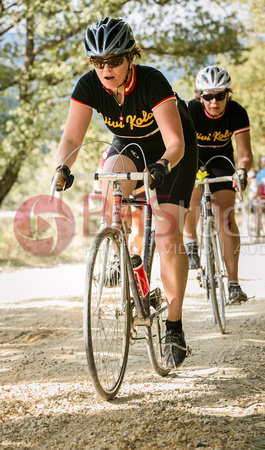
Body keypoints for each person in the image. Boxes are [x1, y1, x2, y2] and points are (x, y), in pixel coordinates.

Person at [54, 17, 197, 369]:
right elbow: (72, 139)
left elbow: (175, 142)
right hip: (131, 146)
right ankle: (121, 251)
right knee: (110, 176)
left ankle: (174, 324)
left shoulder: (151, 81)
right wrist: (62, 166)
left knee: (166, 233)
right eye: (98, 62)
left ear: (130, 57)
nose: (106, 69)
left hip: (172, 149)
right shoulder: (89, 86)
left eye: (115, 60)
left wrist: (162, 167)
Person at [185, 65, 253, 305]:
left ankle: (233, 284)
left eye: (220, 95)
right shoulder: (190, 110)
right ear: (199, 96)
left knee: (226, 218)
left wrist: (242, 170)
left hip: (222, 162)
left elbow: (244, 153)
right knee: (190, 197)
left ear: (228, 94)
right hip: (193, 159)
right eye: (208, 96)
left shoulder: (236, 112)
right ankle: (191, 240)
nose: (214, 102)